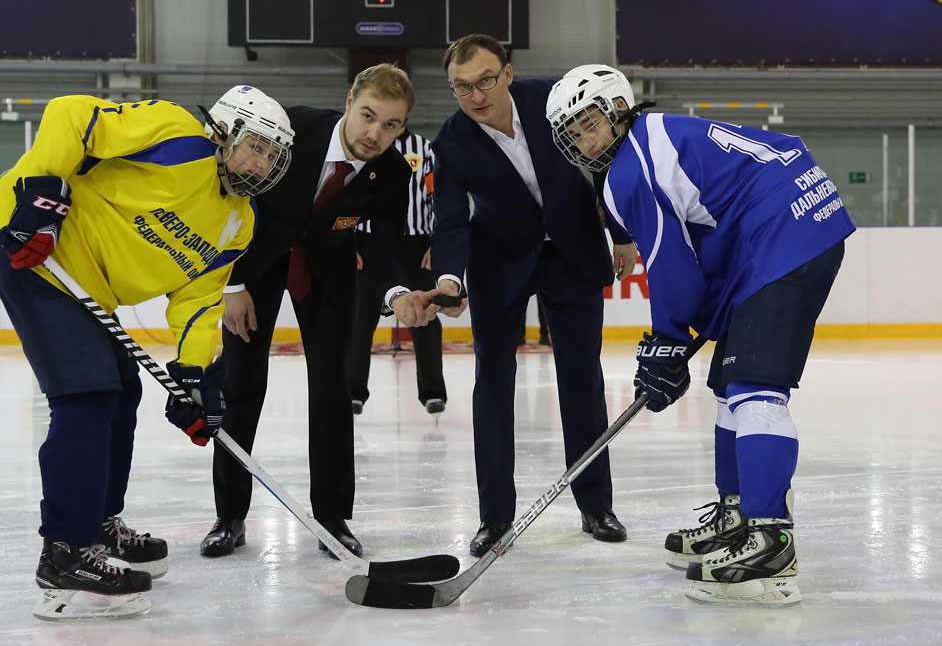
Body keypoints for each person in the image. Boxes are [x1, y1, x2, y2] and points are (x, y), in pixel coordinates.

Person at [0, 88, 294, 619]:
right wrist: (40, 195)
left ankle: (98, 523)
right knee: (87, 394)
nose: (260, 164)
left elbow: (197, 301)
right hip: (36, 251)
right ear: (225, 130)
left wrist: (195, 376)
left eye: (270, 156)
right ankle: (65, 550)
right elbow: (70, 114)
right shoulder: (178, 135)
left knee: (122, 389)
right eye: (254, 147)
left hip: (88, 285)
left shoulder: (238, 220)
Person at [545, 64, 855, 605]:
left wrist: (667, 338)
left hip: (784, 232)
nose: (582, 138)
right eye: (572, 132)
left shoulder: (632, 168)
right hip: (781, 225)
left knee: (755, 388)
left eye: (588, 122)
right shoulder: (650, 139)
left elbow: (671, 266)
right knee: (730, 387)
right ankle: (738, 517)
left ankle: (770, 544)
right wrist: (680, 335)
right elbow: (700, 253)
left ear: (618, 110)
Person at [204, 64, 442, 560]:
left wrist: (398, 292)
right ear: (351, 99)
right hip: (256, 266)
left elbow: (384, 247)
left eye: (392, 125)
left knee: (334, 392)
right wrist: (233, 284)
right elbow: (223, 198)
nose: (376, 133)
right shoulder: (291, 129)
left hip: (329, 276)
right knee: (242, 385)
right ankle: (229, 517)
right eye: (369, 116)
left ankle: (333, 518)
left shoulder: (393, 173)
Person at [430, 34, 637, 557]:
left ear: (507, 73)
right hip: (499, 265)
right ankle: (495, 518)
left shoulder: (554, 100)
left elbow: (605, 160)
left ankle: (595, 505)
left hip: (572, 255)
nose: (475, 95)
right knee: (493, 388)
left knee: (581, 382)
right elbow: (451, 221)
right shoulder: (450, 142)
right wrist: (451, 280)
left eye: (484, 81)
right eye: (461, 87)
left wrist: (622, 230)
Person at [347, 128, 448, 417]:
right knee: (361, 317)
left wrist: (437, 243)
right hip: (367, 241)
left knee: (426, 318)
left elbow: (438, 195)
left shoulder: (423, 147)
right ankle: (354, 391)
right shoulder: (363, 143)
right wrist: (348, 243)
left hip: (416, 244)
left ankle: (432, 392)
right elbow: (348, 195)